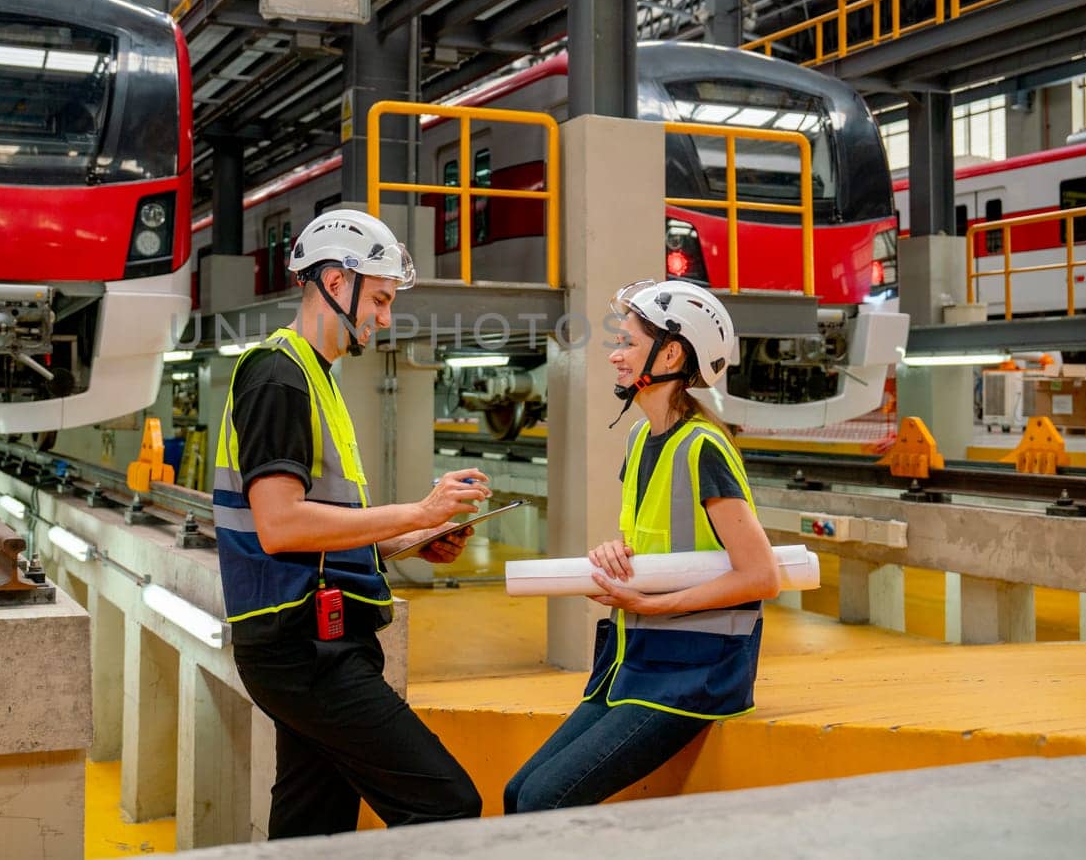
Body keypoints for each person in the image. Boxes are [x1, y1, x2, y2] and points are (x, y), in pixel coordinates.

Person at [214, 207, 489, 839]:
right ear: (337, 282)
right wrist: (419, 509)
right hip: (304, 646)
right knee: (447, 806)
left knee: (313, 828)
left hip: (313, 638)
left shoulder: (316, 379)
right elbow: (280, 526)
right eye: (382, 300)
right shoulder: (279, 377)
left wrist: (415, 539)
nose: (386, 319)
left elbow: (328, 528)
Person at [503, 279, 781, 814]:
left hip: (695, 675)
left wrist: (654, 605)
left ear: (671, 352)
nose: (615, 355)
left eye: (628, 342)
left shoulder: (703, 447)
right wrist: (617, 553)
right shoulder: (641, 439)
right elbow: (657, 545)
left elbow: (760, 575)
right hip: (636, 664)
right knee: (519, 793)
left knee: (543, 799)